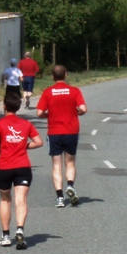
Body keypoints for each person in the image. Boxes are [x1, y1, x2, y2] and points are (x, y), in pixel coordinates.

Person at [0, 91, 43, 249]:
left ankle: (6, 236)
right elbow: (38, 142)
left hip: (4, 167)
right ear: (19, 107)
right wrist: (24, 145)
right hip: (22, 167)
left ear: (4, 106)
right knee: (21, 200)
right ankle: (20, 229)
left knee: (5, 199)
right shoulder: (26, 124)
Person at [35, 65, 87, 208]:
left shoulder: (48, 92)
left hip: (54, 132)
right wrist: (76, 113)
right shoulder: (75, 91)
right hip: (71, 131)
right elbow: (83, 109)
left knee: (56, 165)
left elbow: (39, 113)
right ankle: (70, 185)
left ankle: (59, 198)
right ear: (66, 74)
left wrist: (49, 115)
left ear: (52, 76)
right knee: (70, 162)